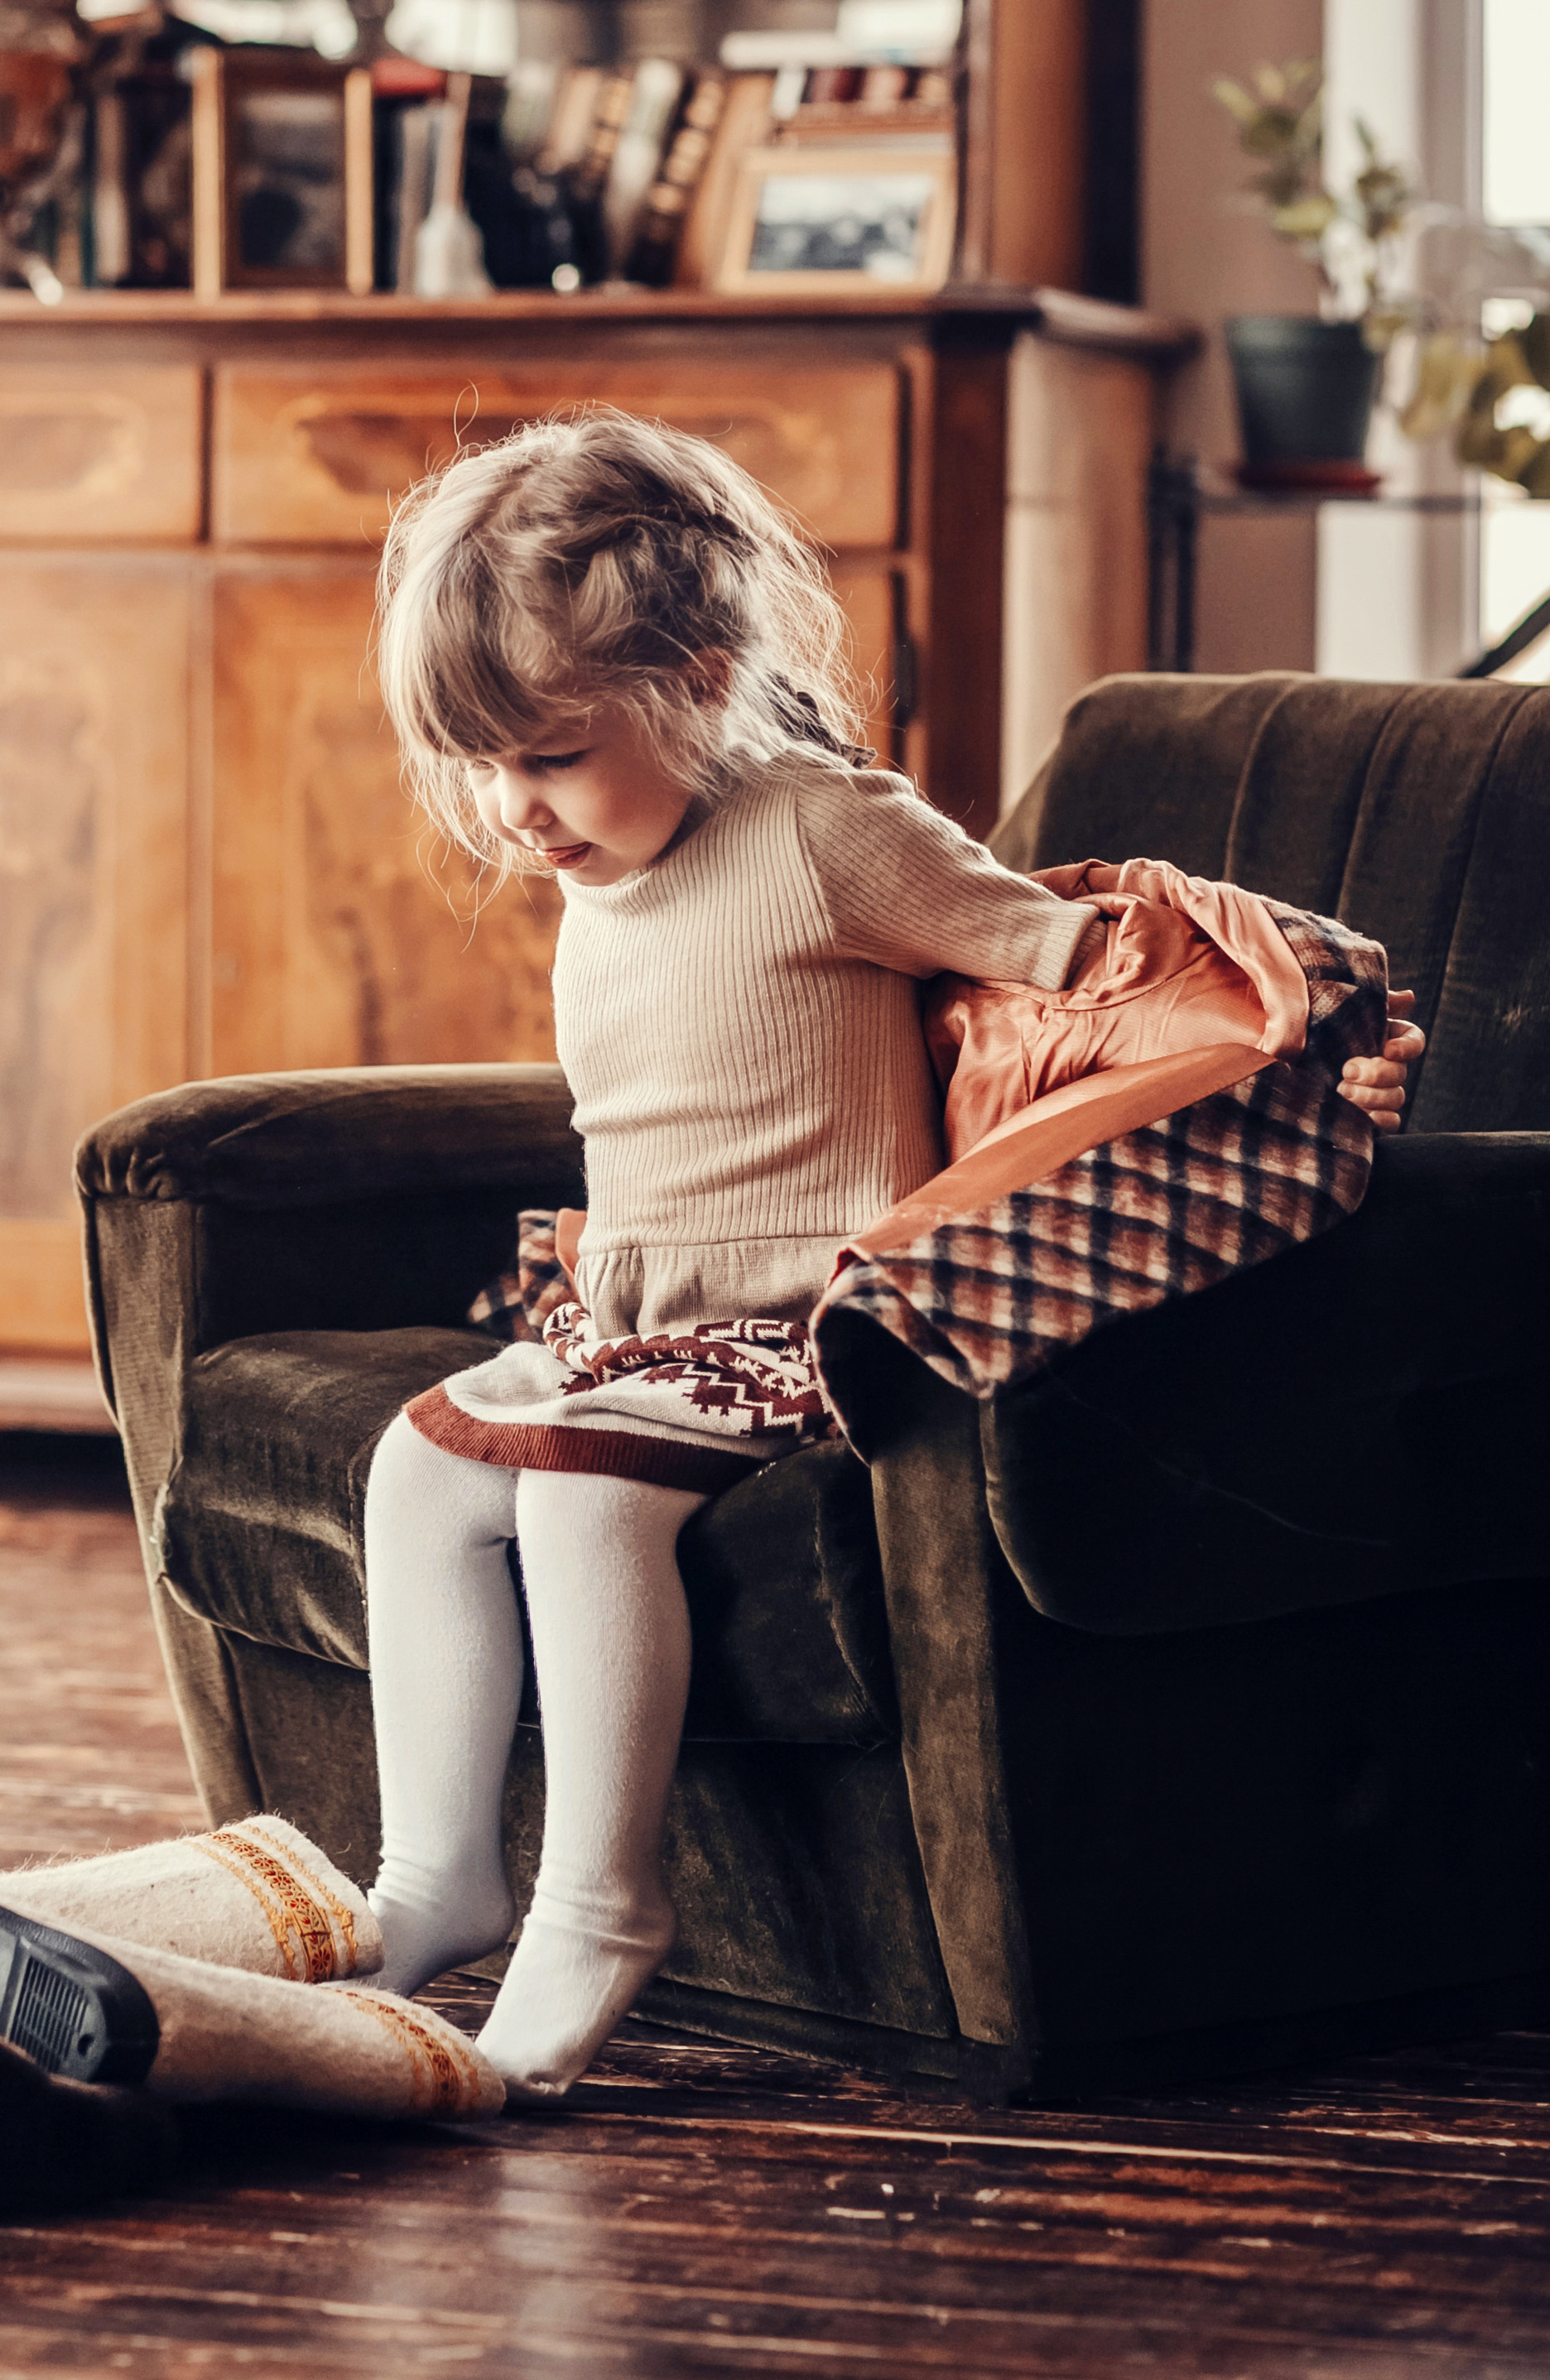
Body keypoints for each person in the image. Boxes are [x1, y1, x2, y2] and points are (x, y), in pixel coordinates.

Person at [358, 409, 1423, 2104]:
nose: (512, 812)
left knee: (577, 1500)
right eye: (478, 766)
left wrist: (1313, 1044)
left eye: (547, 757)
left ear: (700, 681)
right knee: (417, 1467)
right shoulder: (607, 854)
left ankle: (597, 1904)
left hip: (805, 1327)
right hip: (636, 1320)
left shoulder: (817, 829)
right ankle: (434, 1876)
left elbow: (1090, 965)